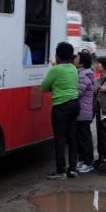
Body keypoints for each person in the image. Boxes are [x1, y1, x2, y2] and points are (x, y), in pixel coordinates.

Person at [41, 42, 80, 179]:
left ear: (58, 55)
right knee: (72, 137)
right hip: (75, 104)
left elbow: (44, 87)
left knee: (60, 138)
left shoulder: (55, 70)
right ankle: (73, 169)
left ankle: (61, 171)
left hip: (61, 106)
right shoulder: (73, 68)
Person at [74, 50, 96, 173]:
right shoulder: (83, 73)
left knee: (84, 138)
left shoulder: (83, 75)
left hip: (83, 112)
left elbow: (77, 92)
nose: (74, 60)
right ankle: (82, 160)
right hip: (82, 111)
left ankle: (88, 162)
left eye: (77, 58)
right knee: (80, 137)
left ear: (82, 62)